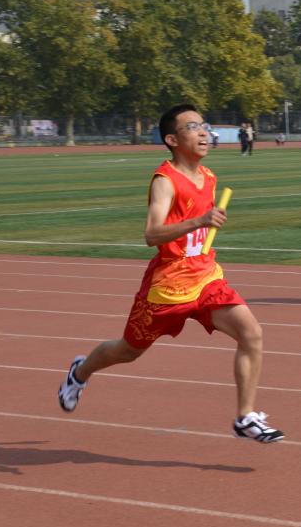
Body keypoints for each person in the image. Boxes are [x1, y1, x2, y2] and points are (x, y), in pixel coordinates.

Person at [58, 103, 284, 443]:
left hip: (205, 277)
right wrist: (200, 221)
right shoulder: (165, 181)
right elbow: (152, 234)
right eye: (192, 127)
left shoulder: (209, 177)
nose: (203, 132)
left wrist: (205, 226)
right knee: (128, 351)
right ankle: (81, 371)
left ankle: (245, 417)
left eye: (204, 125)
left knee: (251, 333)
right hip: (167, 288)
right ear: (172, 139)